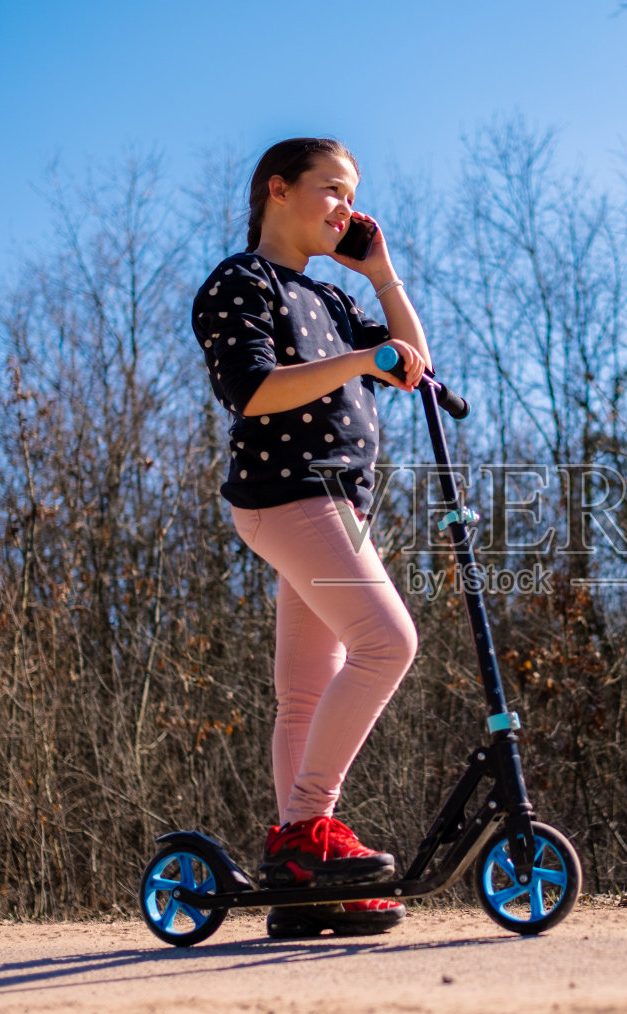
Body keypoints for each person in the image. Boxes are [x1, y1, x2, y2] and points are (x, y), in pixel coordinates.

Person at [190, 138, 431, 938]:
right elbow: (252, 390)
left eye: (353, 195)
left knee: (304, 690)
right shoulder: (240, 282)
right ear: (278, 190)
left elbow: (415, 363)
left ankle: (304, 890)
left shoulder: (330, 300)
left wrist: (381, 274)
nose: (347, 209)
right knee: (388, 641)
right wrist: (365, 356)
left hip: (335, 504)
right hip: (288, 494)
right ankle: (305, 836)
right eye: (332, 191)